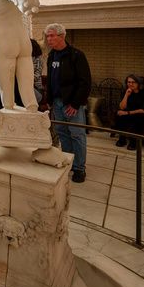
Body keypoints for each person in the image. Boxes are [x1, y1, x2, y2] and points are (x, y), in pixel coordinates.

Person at [44, 23, 91, 183]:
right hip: (56, 102)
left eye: (52, 36)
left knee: (77, 135)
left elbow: (84, 82)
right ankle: (69, 162)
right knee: (63, 134)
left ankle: (79, 168)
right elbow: (50, 80)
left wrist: (75, 104)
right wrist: (49, 101)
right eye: (47, 36)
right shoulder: (51, 56)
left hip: (72, 104)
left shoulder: (76, 55)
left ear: (62, 36)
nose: (49, 39)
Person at [114, 74, 144, 150]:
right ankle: (122, 139)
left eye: (133, 82)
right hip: (133, 112)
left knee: (136, 117)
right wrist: (126, 95)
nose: (130, 84)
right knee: (120, 115)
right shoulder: (127, 91)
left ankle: (134, 142)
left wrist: (127, 113)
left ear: (138, 83)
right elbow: (122, 107)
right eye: (128, 82)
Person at [31, 38, 44, 105]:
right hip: (29, 87)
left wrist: (25, 82)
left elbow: (37, 74)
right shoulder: (27, 58)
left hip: (36, 87)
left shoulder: (38, 59)